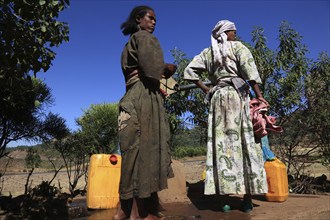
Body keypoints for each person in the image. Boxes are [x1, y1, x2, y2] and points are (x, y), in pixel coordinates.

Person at [183, 20, 268, 213]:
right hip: (237, 98)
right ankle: (247, 200)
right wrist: (260, 97)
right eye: (232, 32)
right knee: (245, 144)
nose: (235, 35)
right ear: (224, 33)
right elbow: (251, 75)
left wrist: (207, 89)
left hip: (218, 98)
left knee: (222, 147)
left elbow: (189, 70)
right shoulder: (238, 48)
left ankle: (224, 201)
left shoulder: (209, 52)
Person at [114, 5, 175, 220]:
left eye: (155, 19)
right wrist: (168, 68)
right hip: (144, 99)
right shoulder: (145, 38)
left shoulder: (127, 44)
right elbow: (152, 70)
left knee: (131, 153)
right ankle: (139, 213)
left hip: (130, 98)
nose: (154, 22)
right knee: (145, 153)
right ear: (139, 19)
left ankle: (123, 210)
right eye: (150, 18)